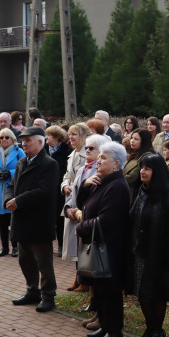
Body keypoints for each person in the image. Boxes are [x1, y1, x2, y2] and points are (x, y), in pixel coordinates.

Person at [75, 141, 131, 337]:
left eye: (103, 158)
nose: (98, 160)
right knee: (100, 288)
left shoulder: (117, 186)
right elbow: (83, 205)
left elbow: (107, 220)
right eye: (99, 157)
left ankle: (115, 332)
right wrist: (85, 185)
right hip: (99, 243)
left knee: (111, 289)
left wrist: (81, 227)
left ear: (117, 164)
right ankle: (105, 326)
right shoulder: (102, 180)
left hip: (110, 246)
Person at [127, 153, 169, 337]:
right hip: (141, 252)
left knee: (156, 295)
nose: (142, 171)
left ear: (157, 172)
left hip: (159, 255)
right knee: (142, 294)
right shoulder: (142, 192)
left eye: (147, 168)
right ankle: (149, 329)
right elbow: (133, 218)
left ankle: (158, 331)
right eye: (141, 167)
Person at [4, 127, 60, 313]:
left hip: (39, 221)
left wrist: (18, 201)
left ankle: (48, 296)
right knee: (25, 260)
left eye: (28, 140)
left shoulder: (49, 164)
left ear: (40, 142)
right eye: (23, 140)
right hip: (21, 220)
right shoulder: (22, 162)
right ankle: (32, 291)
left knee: (43, 262)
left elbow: (44, 192)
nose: (24, 144)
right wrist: (7, 200)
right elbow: (11, 185)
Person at [60, 124, 93, 290]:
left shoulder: (87, 154)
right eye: (69, 134)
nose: (70, 138)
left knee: (81, 242)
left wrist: (73, 187)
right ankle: (78, 278)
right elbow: (67, 175)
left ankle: (84, 280)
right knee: (74, 243)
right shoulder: (72, 154)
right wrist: (65, 185)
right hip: (70, 199)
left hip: (81, 202)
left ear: (84, 136)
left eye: (74, 135)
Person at [0, 128, 24, 257]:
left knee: (13, 221)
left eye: (7, 137)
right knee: (1, 222)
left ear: (12, 139)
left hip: (13, 189)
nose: (4, 140)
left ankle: (15, 247)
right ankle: (4, 247)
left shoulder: (19, 151)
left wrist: (11, 173)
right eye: (1, 137)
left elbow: (25, 167)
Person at [45, 125, 71, 255]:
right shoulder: (43, 150)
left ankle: (61, 245)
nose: (46, 138)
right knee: (47, 218)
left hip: (59, 189)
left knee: (60, 219)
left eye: (48, 135)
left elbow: (66, 171)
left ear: (56, 137)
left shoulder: (67, 151)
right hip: (45, 188)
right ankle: (46, 246)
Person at [124, 129, 152, 196]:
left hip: (137, 193)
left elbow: (132, 177)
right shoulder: (133, 154)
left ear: (143, 141)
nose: (132, 141)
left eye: (136, 139)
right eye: (132, 138)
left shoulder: (146, 156)